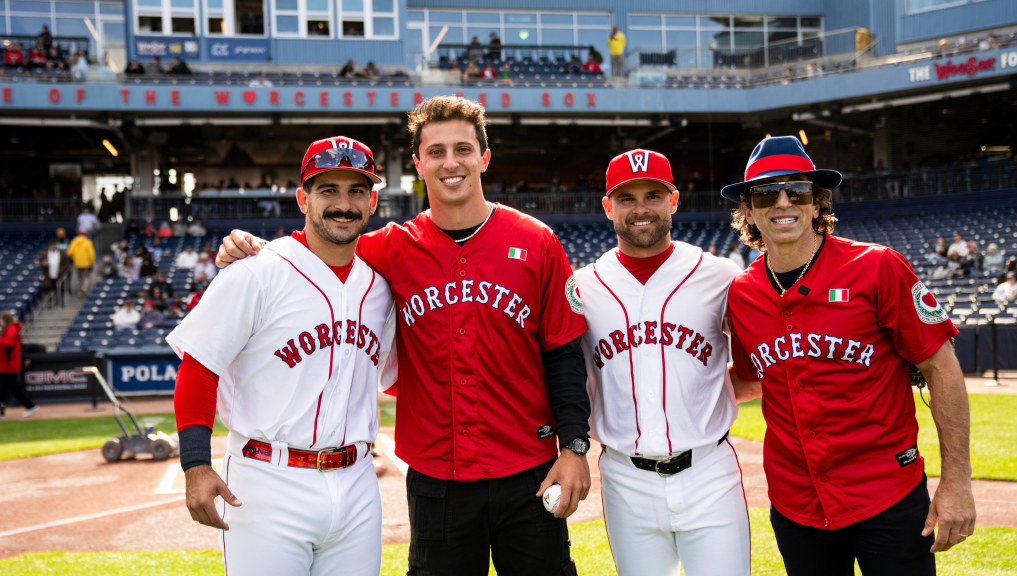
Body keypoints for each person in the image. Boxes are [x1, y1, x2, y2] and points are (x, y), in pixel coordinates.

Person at [216, 96, 591, 576]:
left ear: (484, 157)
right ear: (418, 163)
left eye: (462, 149)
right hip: (438, 478)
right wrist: (252, 248)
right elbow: (318, 247)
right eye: (436, 152)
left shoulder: (536, 240)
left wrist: (574, 447)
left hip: (528, 471)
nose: (450, 162)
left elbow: (562, 353)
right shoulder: (390, 247)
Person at [720, 135, 976, 576]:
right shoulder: (741, 294)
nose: (783, 201)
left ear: (817, 203)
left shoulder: (878, 267)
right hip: (797, 503)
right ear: (748, 210)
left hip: (886, 494)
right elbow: (748, 379)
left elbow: (941, 365)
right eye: (766, 193)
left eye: (797, 191)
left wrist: (957, 481)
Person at [166, 134, 394, 575]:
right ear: (302, 198)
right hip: (267, 479)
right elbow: (198, 368)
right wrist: (195, 464)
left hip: (357, 481)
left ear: (373, 202)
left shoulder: (380, 287)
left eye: (357, 191)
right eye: (329, 190)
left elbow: (393, 376)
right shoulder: (256, 272)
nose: (343, 203)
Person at [576, 149, 752, 576]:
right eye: (627, 197)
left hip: (709, 470)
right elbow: (574, 382)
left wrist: (713, 397)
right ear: (608, 207)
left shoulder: (719, 275)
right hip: (624, 475)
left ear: (673, 200)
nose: (641, 208)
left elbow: (760, 365)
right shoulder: (582, 287)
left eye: (653, 195)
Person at [0, 312, 39, 418]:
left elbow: (9, 343)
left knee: (13, 388)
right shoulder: (9, 329)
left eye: (1, 320)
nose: (0, 322)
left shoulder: (11, 329)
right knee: (6, 388)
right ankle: (2, 410)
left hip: (8, 366)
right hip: (6, 365)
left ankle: (30, 406)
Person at [66, 230, 96, 296]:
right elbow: (91, 254)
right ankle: (84, 288)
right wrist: (92, 263)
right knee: (87, 277)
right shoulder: (88, 242)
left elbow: (69, 252)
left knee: (79, 278)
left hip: (77, 263)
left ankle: (79, 291)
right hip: (87, 263)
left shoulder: (74, 242)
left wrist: (74, 259)